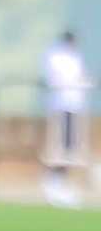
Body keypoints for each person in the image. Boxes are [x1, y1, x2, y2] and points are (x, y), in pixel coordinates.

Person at [40, 31, 90, 207]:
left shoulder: (77, 57)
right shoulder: (55, 56)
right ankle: (52, 185)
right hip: (60, 106)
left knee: (71, 149)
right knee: (58, 149)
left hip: (75, 106)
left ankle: (61, 186)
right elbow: (51, 79)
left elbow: (80, 77)